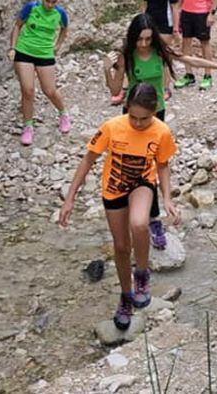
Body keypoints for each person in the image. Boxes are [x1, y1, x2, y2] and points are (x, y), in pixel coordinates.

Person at [104, 13, 217, 248]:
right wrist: (107, 69)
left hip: (156, 117)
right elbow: (116, 88)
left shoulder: (160, 53)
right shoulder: (127, 55)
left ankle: (154, 219)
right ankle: (135, 215)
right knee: (133, 168)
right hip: (131, 119)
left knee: (154, 166)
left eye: (148, 39)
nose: (144, 44)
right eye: (140, 39)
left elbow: (192, 60)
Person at [59, 84, 181, 331]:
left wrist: (167, 198)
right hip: (113, 189)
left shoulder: (161, 132)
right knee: (122, 247)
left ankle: (142, 275)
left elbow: (163, 165)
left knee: (139, 223)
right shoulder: (111, 127)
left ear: (155, 111)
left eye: (144, 119)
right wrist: (69, 198)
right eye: (132, 117)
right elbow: (87, 161)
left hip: (142, 184)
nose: (137, 124)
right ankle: (125, 297)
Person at [9, 0, 71, 146]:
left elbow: (65, 30)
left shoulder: (60, 13)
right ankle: (28, 126)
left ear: (57, 0)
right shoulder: (31, 7)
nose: (49, 5)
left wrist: (57, 45)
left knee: (49, 90)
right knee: (27, 90)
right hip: (24, 51)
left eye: (53, 2)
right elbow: (17, 25)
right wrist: (13, 47)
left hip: (45, 54)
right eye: (47, 1)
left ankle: (63, 113)